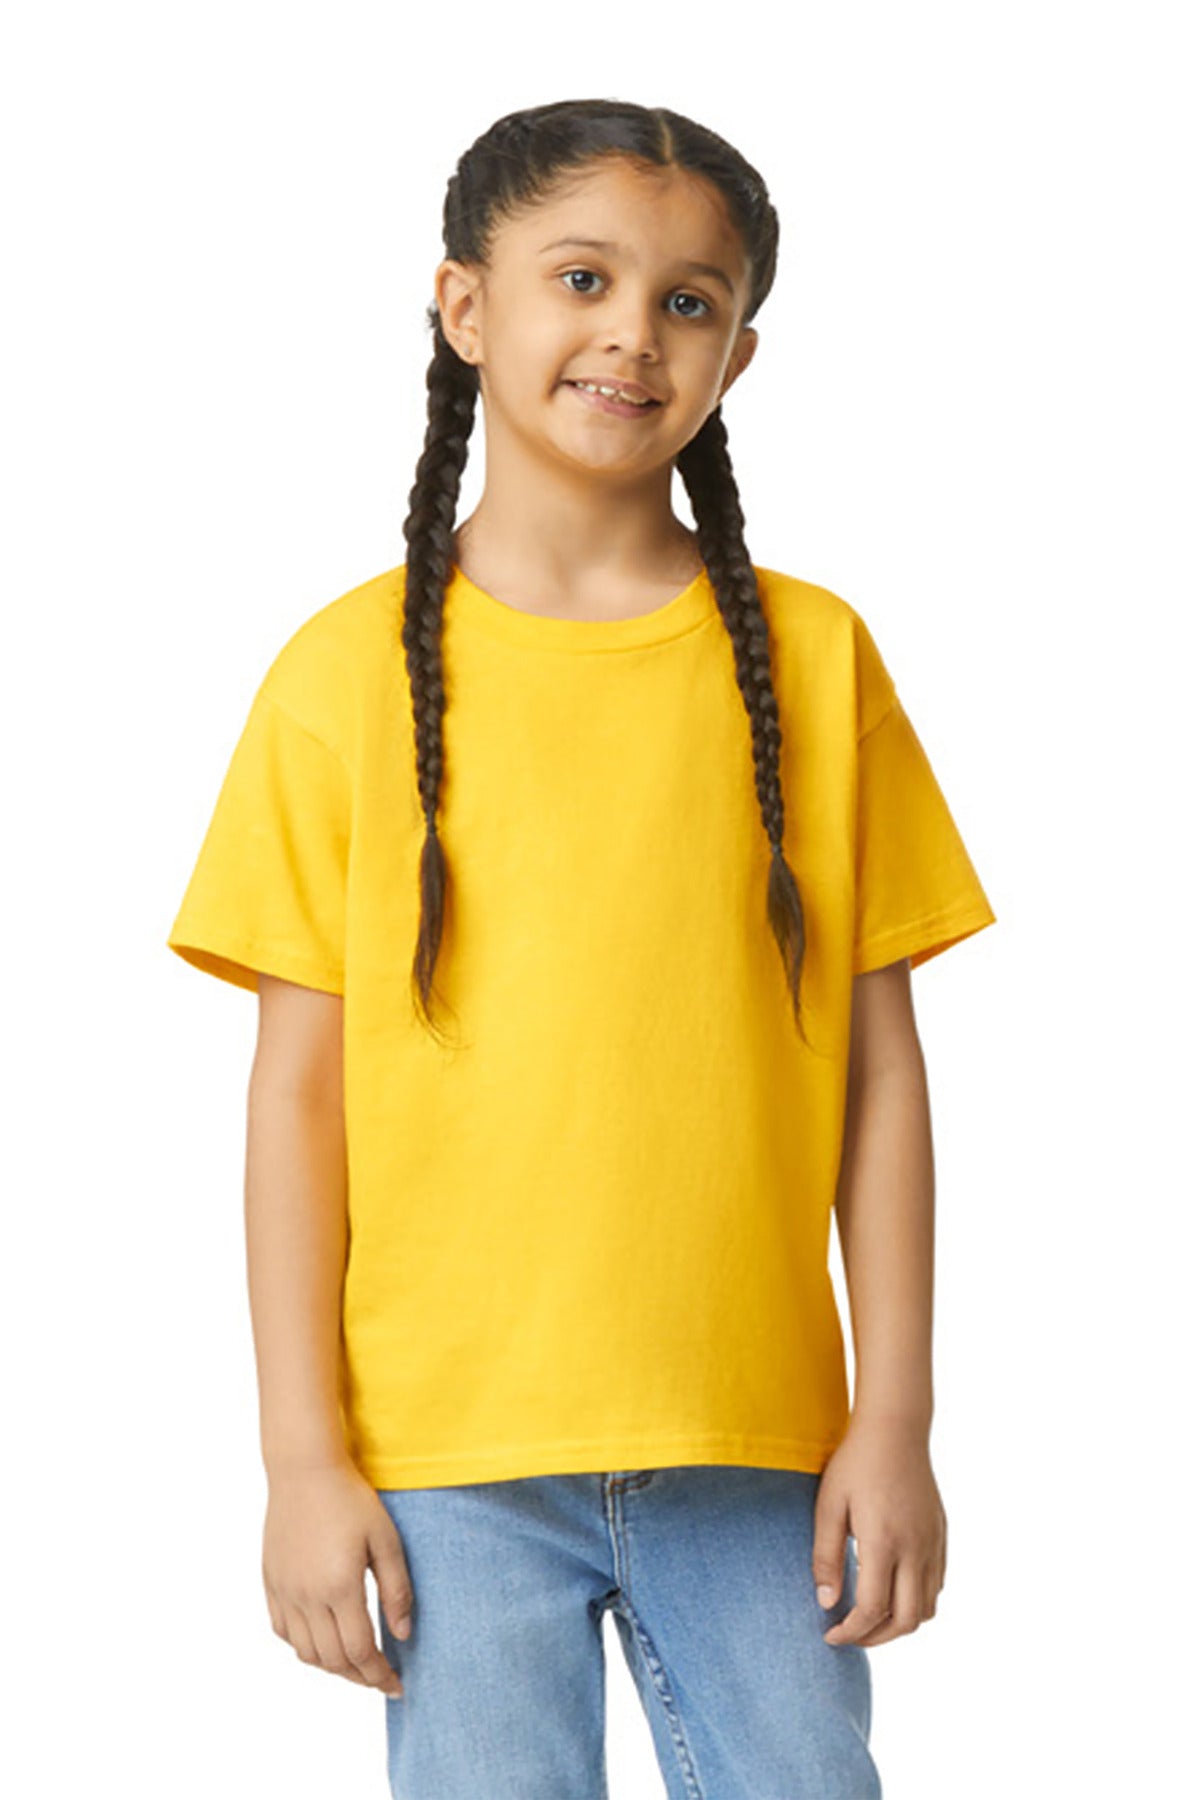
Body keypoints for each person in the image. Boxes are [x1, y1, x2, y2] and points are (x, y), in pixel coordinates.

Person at [166, 97, 996, 1800]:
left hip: (760, 1447)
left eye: (689, 301)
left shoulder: (818, 664)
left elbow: (883, 1082)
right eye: (583, 279)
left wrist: (896, 1421)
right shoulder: (337, 681)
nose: (633, 332)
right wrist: (301, 1462)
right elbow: (298, 1107)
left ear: (736, 358)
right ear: (467, 307)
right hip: (448, 1461)